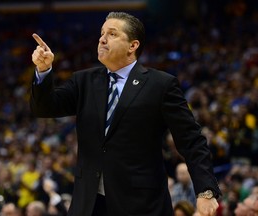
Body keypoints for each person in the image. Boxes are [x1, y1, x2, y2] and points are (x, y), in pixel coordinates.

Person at [30, 11, 221, 216]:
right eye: (102, 33)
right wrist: (43, 70)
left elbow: (191, 140)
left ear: (133, 45)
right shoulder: (84, 81)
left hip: (140, 204)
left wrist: (205, 191)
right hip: (88, 203)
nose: (102, 39)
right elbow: (44, 108)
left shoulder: (160, 85)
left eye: (112, 34)